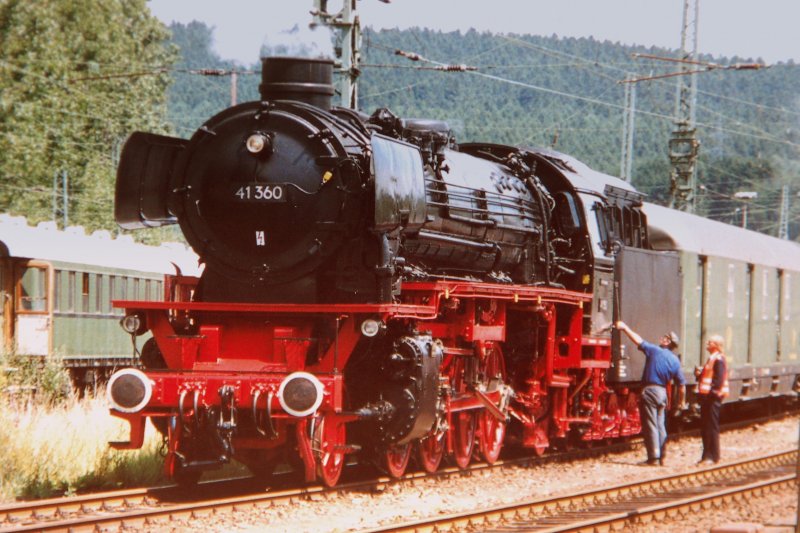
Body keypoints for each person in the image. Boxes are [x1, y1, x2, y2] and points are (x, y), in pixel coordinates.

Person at [616, 321, 686, 466]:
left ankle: (653, 457)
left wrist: (624, 328)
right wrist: (681, 402)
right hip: (662, 393)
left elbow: (638, 340)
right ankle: (661, 456)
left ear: (667, 342)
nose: (662, 338)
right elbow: (682, 385)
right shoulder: (675, 361)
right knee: (660, 425)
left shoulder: (655, 350)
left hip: (650, 390)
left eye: (665, 337)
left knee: (650, 424)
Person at [695, 334, 729, 465]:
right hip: (707, 397)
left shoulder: (718, 359)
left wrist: (711, 394)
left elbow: (718, 380)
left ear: (716, 345)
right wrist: (699, 375)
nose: (707, 344)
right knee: (706, 426)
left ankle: (712, 456)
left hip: (712, 398)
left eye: (710, 342)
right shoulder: (712, 359)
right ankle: (707, 455)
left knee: (710, 426)